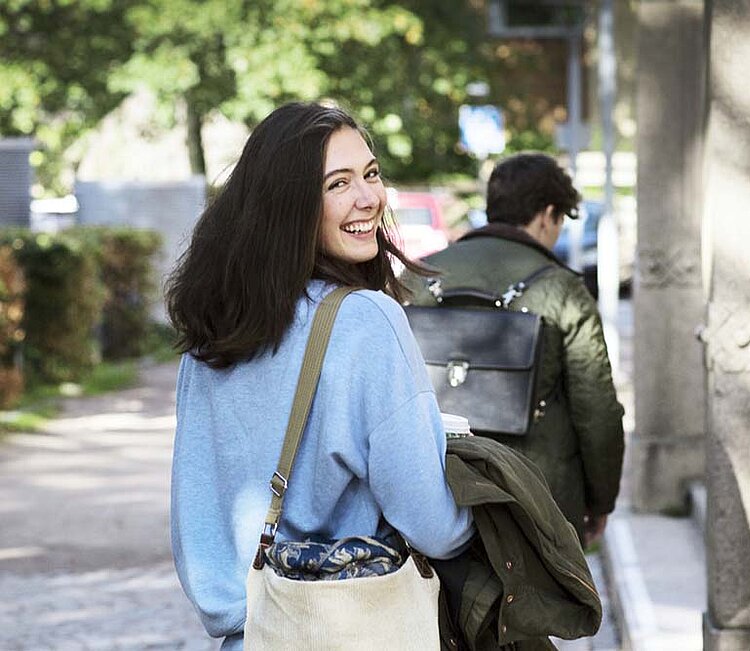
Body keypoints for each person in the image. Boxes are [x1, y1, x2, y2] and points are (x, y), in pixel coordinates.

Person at [166, 103, 474, 650]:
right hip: (353, 629)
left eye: (371, 174)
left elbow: (196, 514)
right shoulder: (366, 321)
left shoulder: (210, 334)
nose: (369, 198)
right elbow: (431, 524)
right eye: (338, 184)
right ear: (290, 206)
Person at [404, 152, 625, 546]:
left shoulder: (419, 277)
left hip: (437, 485)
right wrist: (601, 498)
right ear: (547, 214)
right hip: (539, 496)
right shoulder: (562, 290)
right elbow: (597, 408)